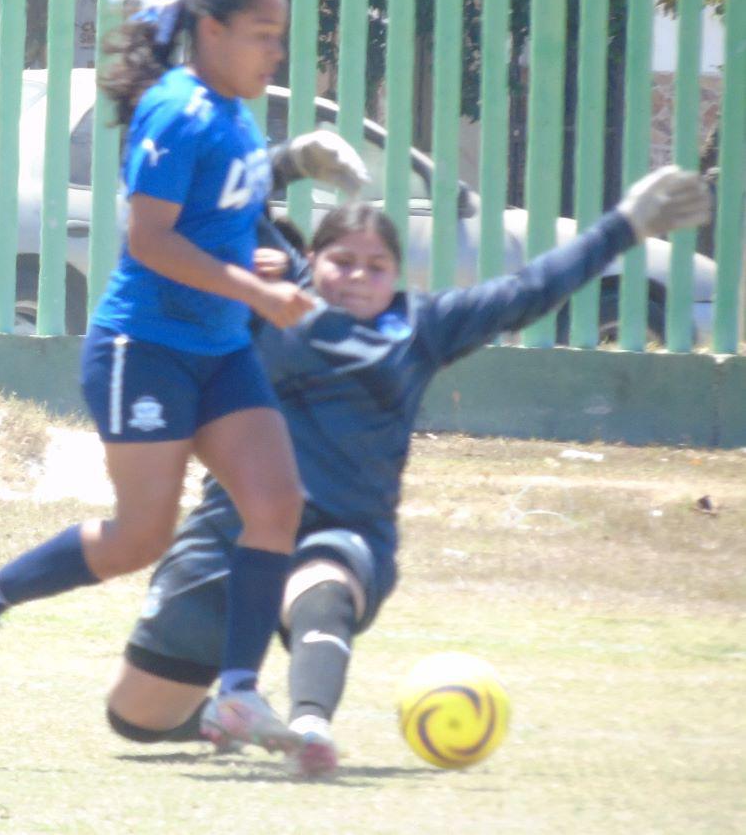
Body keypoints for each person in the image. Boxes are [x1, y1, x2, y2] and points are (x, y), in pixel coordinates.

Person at [103, 168, 712, 775]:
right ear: (310, 258)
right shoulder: (269, 296)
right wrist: (283, 167)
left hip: (344, 529)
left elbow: (530, 288)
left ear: (398, 276)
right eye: (342, 260)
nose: (358, 277)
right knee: (135, 718)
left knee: (322, 586)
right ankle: (219, 715)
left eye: (376, 266)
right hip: (230, 530)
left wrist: (625, 225)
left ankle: (310, 724)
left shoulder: (422, 327)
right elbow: (212, 193)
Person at [0, 0, 370, 754]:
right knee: (141, 537)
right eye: (262, 34)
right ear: (210, 31)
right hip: (145, 348)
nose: (276, 52)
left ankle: (237, 696)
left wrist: (277, 246)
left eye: (281, 36)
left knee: (276, 504)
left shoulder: (236, 114)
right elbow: (151, 240)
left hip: (217, 350)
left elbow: (227, 218)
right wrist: (256, 290)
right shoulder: (177, 111)